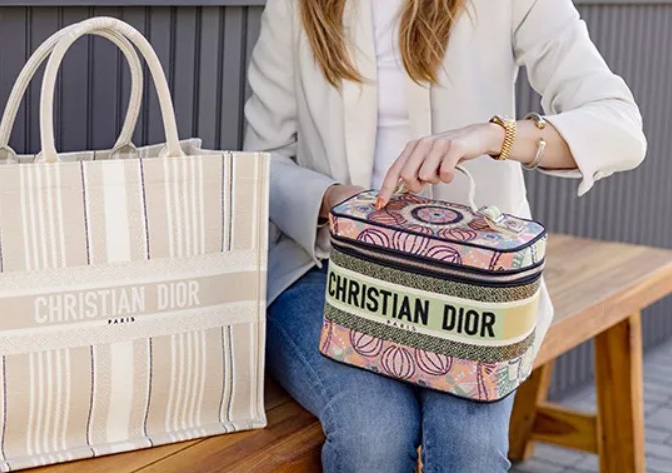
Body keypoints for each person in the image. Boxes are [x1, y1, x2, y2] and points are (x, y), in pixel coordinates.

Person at [242, 0, 646, 471]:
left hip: (473, 289)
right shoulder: (295, 7)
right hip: (327, 272)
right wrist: (334, 200)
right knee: (372, 435)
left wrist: (494, 137)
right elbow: (263, 162)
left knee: (468, 447)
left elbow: (620, 125)